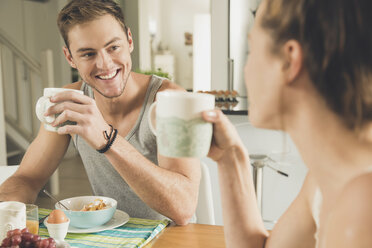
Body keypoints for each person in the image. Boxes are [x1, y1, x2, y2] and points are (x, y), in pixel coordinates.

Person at [0, 0, 200, 225]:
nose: (105, 64)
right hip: (108, 238)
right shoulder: (70, 102)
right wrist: (6, 210)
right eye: (88, 54)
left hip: (172, 238)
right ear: (70, 58)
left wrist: (106, 137)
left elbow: (183, 208)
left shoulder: (171, 100)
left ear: (129, 41)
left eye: (113, 47)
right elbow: (26, 179)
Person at [202, 0, 372, 247]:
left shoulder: (362, 204)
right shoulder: (323, 182)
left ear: (289, 59)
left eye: (252, 52)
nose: (247, 71)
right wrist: (230, 158)